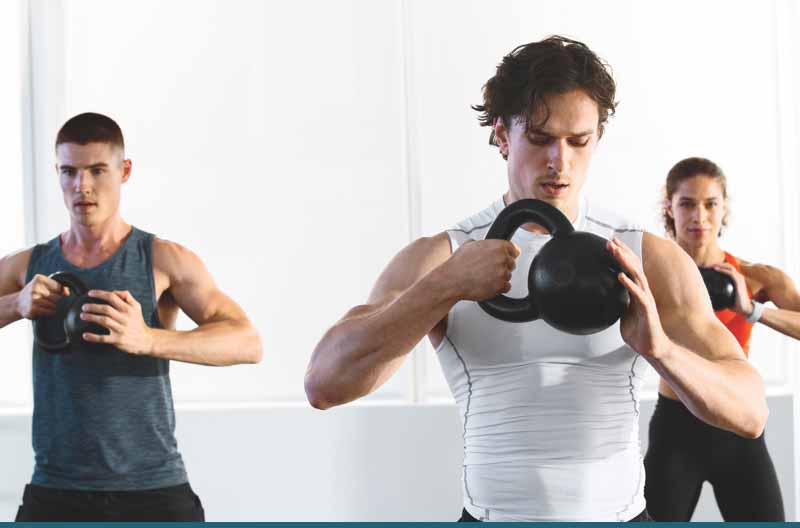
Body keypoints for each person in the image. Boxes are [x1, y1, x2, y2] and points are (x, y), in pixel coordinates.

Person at [304, 36, 768, 522]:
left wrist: (662, 351)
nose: (560, 161)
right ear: (503, 135)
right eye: (542, 139)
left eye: (579, 141)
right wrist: (444, 287)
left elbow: (750, 413)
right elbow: (325, 383)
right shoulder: (442, 256)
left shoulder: (646, 257)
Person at [0, 112, 263, 521]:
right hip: (55, 492)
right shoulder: (28, 265)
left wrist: (149, 339)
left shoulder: (162, 260)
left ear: (124, 171)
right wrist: (15, 305)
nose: (81, 186)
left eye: (96, 170)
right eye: (68, 172)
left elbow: (247, 342)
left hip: (153, 491)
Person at [644, 157, 797, 521]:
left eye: (710, 204)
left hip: (736, 425)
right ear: (669, 206)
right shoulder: (649, 272)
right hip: (675, 426)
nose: (700, 216)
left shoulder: (755, 277)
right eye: (687, 204)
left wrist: (752, 311)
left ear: (723, 207)